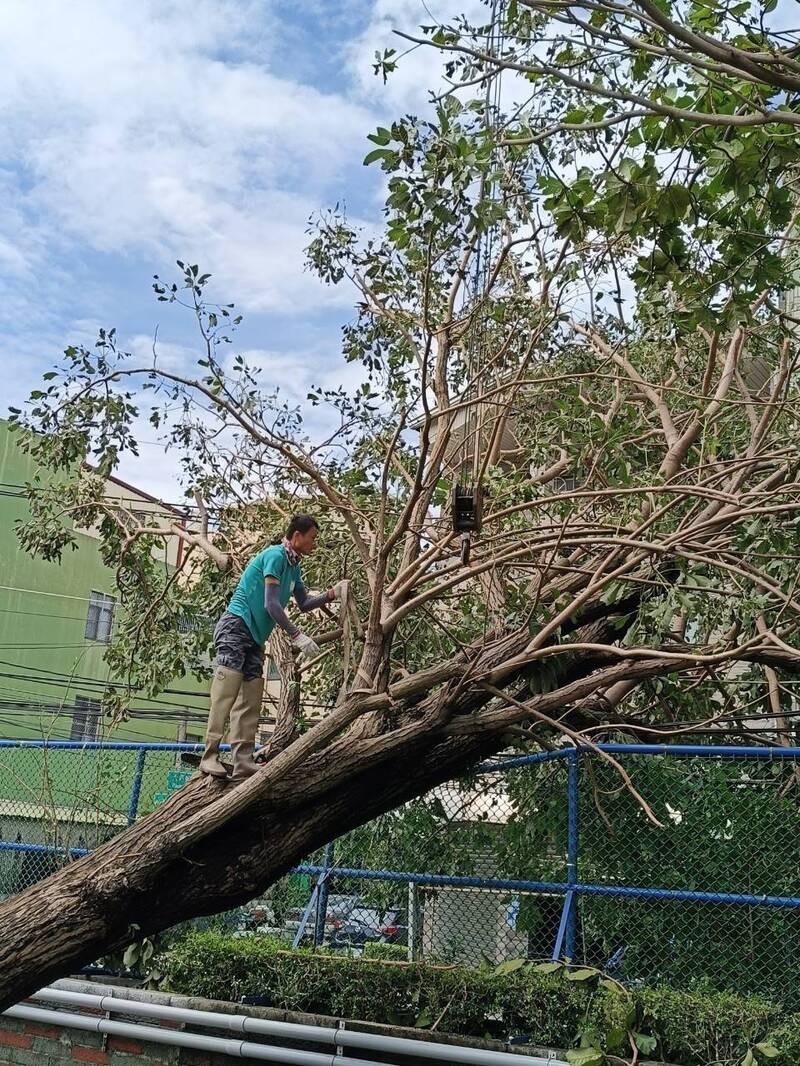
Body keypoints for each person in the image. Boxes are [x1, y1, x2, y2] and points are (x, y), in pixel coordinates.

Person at [200, 514, 344, 782]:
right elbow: (271, 604)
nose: (314, 543)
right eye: (312, 538)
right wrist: (297, 635)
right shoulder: (276, 556)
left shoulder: (294, 566)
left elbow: (303, 602)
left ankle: (242, 760)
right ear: (297, 536)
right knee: (226, 691)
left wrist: (331, 595)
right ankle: (209, 756)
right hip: (236, 627)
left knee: (250, 698)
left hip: (255, 637)